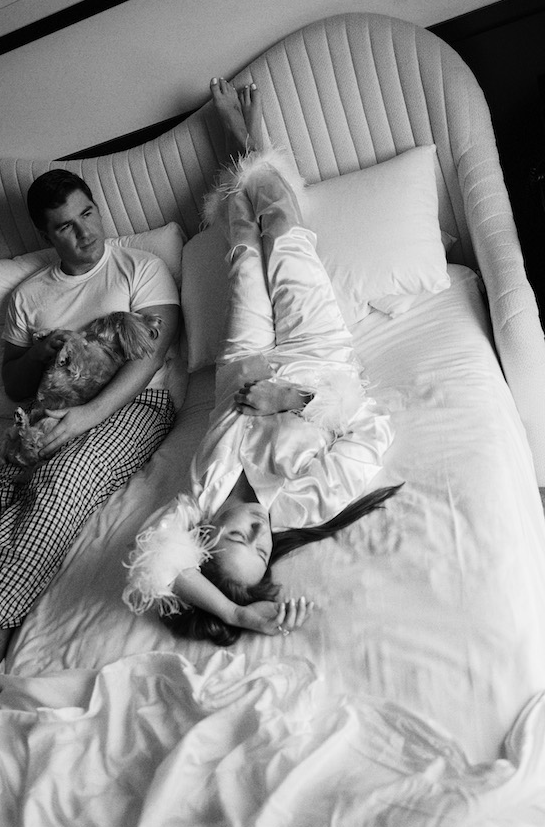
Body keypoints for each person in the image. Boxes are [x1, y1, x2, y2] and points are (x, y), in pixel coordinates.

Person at [123, 78, 399, 645]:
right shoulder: (304, 503)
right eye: (263, 548)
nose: (257, 533)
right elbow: (371, 431)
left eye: (239, 541)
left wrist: (230, 613)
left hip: (244, 360)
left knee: (244, 248)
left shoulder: (197, 500)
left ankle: (239, 146)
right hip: (317, 353)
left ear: (204, 540)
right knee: (285, 236)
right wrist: (293, 400)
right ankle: (248, 138)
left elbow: (154, 564)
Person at [0, 169, 181, 700]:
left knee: (62, 479)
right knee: (4, 497)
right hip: (47, 409)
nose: (83, 233)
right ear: (46, 236)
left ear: (97, 207)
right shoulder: (29, 298)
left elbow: (151, 355)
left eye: (87, 215)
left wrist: (87, 416)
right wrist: (39, 354)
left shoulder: (141, 267)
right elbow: (12, 382)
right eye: (64, 227)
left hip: (134, 402)